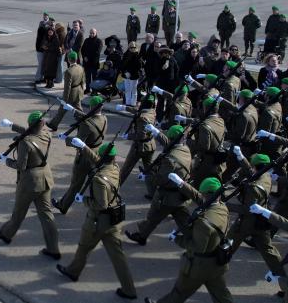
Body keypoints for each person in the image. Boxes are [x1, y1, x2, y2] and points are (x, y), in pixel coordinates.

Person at [56, 141, 138, 300]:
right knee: (118, 257)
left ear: (103, 157)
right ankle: (129, 289)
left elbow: (101, 204)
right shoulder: (115, 168)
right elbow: (99, 160)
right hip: (114, 221)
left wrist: (84, 200)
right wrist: (84, 147)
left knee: (83, 247)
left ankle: (73, 271)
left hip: (97, 222)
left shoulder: (99, 179)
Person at [144, 177, 233, 303]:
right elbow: (198, 196)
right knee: (222, 296)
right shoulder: (222, 207)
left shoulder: (203, 222)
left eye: (202, 193)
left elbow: (197, 247)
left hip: (199, 267)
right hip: (217, 263)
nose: (200, 194)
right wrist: (182, 184)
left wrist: (177, 239)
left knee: (179, 292)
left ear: (206, 194)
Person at [0, 111, 61, 259]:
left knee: (19, 213)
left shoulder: (25, 142)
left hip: (29, 182)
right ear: (42, 125)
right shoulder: (47, 135)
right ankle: (53, 248)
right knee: (47, 216)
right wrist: (11, 125)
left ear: (30, 124)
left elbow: (20, 166)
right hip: (45, 178)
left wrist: (7, 161)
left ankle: (6, 234)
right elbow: (31, 131)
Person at [126, 125, 192, 246]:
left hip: (167, 196)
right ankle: (197, 241)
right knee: (184, 221)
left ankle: (142, 236)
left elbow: (160, 180)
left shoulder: (170, 159)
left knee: (154, 217)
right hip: (180, 194)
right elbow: (168, 142)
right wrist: (156, 132)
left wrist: (148, 175)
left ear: (171, 139)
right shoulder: (185, 149)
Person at [225, 151, 285, 278]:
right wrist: (241, 157)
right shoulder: (266, 176)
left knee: (227, 244)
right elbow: (252, 171)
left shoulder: (253, 187)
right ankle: (282, 275)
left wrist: (225, 205)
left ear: (256, 167)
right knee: (269, 251)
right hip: (261, 221)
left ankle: (214, 269)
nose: (251, 168)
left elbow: (247, 209)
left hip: (247, 222)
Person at [52, 95, 107, 214]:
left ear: (91, 106)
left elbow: (78, 142)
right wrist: (72, 109)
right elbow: (90, 120)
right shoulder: (104, 118)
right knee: (94, 183)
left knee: (76, 183)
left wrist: (66, 139)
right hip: (97, 153)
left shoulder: (86, 124)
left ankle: (63, 205)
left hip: (85, 157)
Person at [48, 51, 85, 130]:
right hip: (78, 91)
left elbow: (67, 88)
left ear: (69, 60)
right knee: (78, 110)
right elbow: (83, 82)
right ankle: (83, 123)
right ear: (76, 59)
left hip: (71, 94)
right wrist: (81, 92)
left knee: (62, 109)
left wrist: (64, 100)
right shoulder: (80, 68)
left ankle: (53, 124)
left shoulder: (68, 71)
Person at [121, 42, 142, 107]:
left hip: (134, 75)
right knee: (127, 89)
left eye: (134, 47)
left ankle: (133, 103)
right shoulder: (125, 54)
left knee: (134, 90)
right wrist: (125, 72)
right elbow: (122, 65)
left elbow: (138, 66)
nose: (132, 48)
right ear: (129, 47)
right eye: (131, 47)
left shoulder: (137, 55)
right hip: (126, 74)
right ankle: (128, 102)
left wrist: (130, 72)